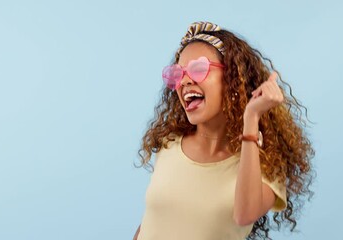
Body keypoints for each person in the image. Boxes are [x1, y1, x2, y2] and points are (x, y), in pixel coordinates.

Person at [133, 21, 314, 240]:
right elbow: (152, 223)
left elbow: (244, 215)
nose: (185, 81)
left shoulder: (266, 164)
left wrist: (251, 118)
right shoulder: (169, 144)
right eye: (177, 74)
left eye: (199, 69)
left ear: (233, 79)